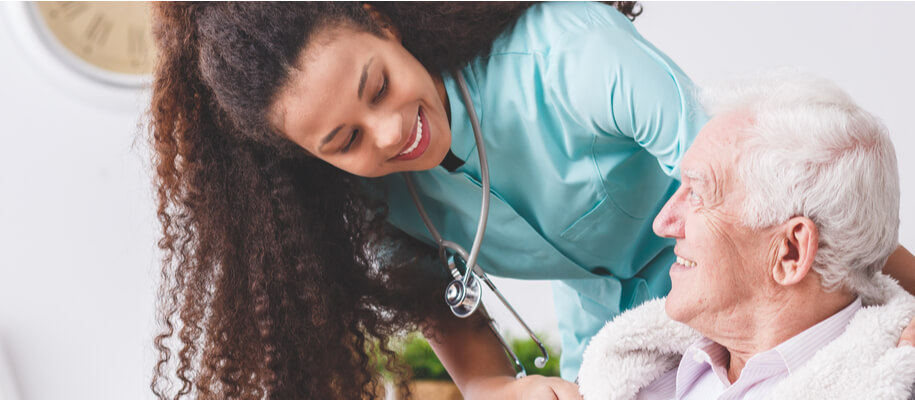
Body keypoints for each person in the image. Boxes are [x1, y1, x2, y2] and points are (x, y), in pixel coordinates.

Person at [147, 3, 915, 399]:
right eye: (342, 141)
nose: (389, 134)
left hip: (737, 270)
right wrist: (492, 385)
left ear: (381, 24)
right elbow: (467, 349)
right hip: (614, 329)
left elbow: (774, 194)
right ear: (313, 161)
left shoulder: (572, 55)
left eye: (378, 85)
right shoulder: (376, 204)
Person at [577, 72, 915, 399]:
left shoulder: (887, 384)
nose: (663, 223)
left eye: (697, 194)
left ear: (790, 252)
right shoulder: (626, 374)